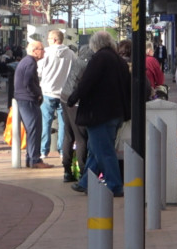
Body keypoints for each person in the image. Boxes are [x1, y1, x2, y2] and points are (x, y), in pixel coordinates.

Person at [67, 31, 130, 196]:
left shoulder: (99, 59)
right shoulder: (120, 61)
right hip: (116, 113)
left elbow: (87, 82)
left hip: (99, 113)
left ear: (95, 44)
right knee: (96, 150)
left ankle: (115, 185)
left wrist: (72, 98)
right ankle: (86, 182)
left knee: (104, 151)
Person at [38, 30, 76, 158]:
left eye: (48, 38)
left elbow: (38, 71)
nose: (47, 41)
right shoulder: (71, 54)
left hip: (47, 92)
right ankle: (62, 150)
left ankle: (43, 150)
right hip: (64, 93)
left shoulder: (46, 53)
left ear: (54, 39)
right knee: (64, 124)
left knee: (46, 122)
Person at [14, 40, 51, 168]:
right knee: (34, 129)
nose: (44, 51)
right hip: (27, 100)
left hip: (24, 99)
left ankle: (31, 158)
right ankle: (35, 159)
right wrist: (38, 94)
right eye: (42, 49)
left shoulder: (27, 61)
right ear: (34, 51)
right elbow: (28, 81)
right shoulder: (30, 62)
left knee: (32, 130)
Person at [60, 45, 93, 183]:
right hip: (76, 101)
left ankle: (67, 170)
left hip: (64, 96)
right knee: (81, 138)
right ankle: (83, 171)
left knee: (68, 135)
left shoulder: (78, 60)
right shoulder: (88, 64)